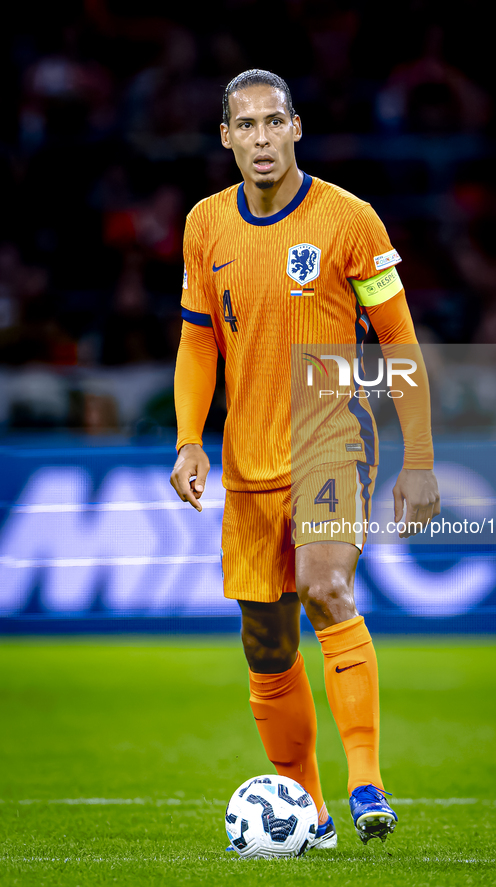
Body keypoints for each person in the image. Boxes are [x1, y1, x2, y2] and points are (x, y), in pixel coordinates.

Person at [170, 69, 440, 849]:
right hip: (247, 458)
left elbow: (400, 344)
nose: (259, 139)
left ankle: (366, 784)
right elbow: (196, 340)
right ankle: (309, 811)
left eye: (272, 123)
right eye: (243, 126)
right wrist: (189, 437)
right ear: (225, 137)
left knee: (325, 585)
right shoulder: (204, 225)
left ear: (297, 128)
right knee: (266, 640)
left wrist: (417, 459)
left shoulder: (348, 219)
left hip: (333, 436)